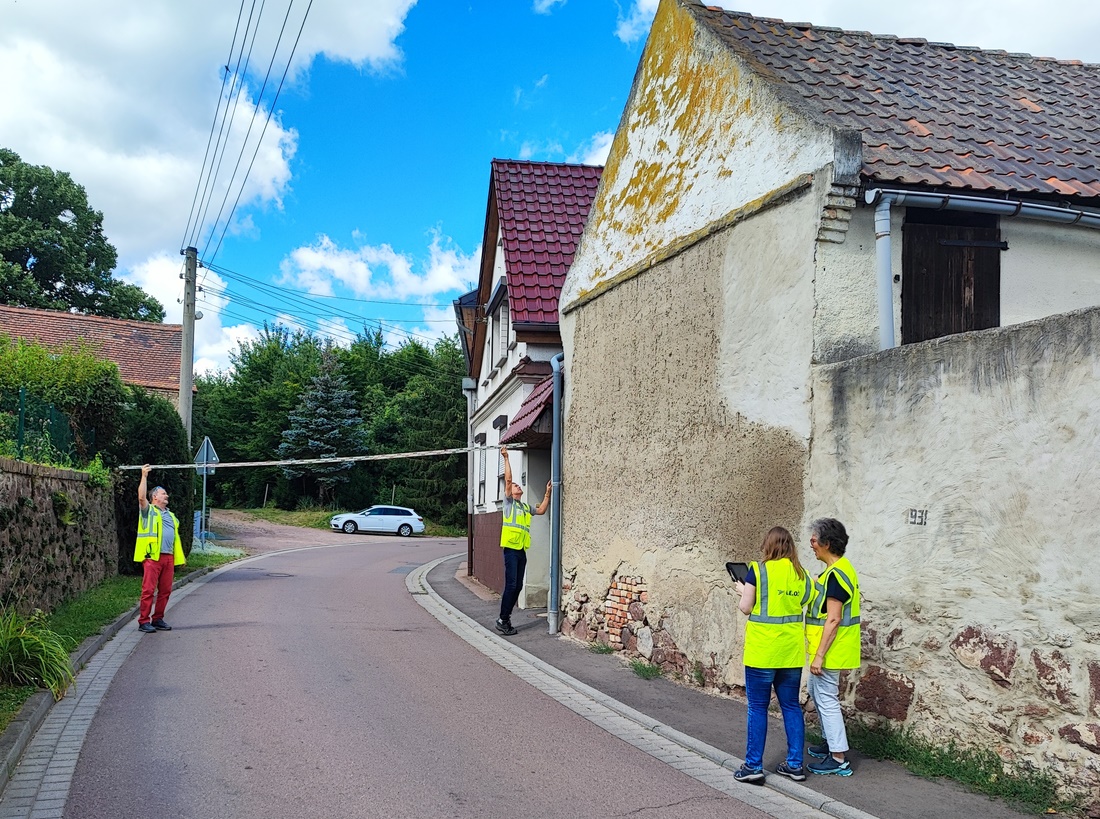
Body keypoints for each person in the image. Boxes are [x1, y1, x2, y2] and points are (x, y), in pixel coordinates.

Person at [732, 526, 813, 784]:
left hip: (763, 652)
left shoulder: (758, 571)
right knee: (791, 706)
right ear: (790, 547)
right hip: (790, 654)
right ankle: (795, 765)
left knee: (758, 708)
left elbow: (746, 607)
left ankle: (753, 766)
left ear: (768, 545)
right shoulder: (802, 575)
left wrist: (743, 591)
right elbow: (806, 599)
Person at [805, 517, 860, 776]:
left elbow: (834, 619)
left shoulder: (836, 576)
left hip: (830, 650)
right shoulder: (835, 572)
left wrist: (819, 656)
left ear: (827, 543)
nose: (811, 545)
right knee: (816, 692)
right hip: (829, 648)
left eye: (814, 540)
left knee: (826, 699)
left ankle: (838, 758)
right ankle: (830, 743)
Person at [496, 446, 551, 636]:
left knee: (518, 586)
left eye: (519, 485)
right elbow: (508, 479)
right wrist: (506, 457)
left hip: (521, 550)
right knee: (511, 585)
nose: (517, 486)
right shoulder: (509, 503)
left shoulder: (525, 507)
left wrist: (547, 493)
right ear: (511, 491)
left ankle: (506, 618)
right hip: (511, 550)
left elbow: (541, 510)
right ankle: (502, 619)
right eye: (515, 486)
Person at [135, 464, 186, 633]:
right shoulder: (148, 511)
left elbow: (175, 539)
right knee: (148, 590)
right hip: (152, 556)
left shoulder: (171, 516)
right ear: (155, 497)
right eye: (163, 493)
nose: (167, 495)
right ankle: (143, 621)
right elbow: (141, 497)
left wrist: (180, 558)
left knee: (165, 591)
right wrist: (144, 476)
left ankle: (157, 619)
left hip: (168, 557)